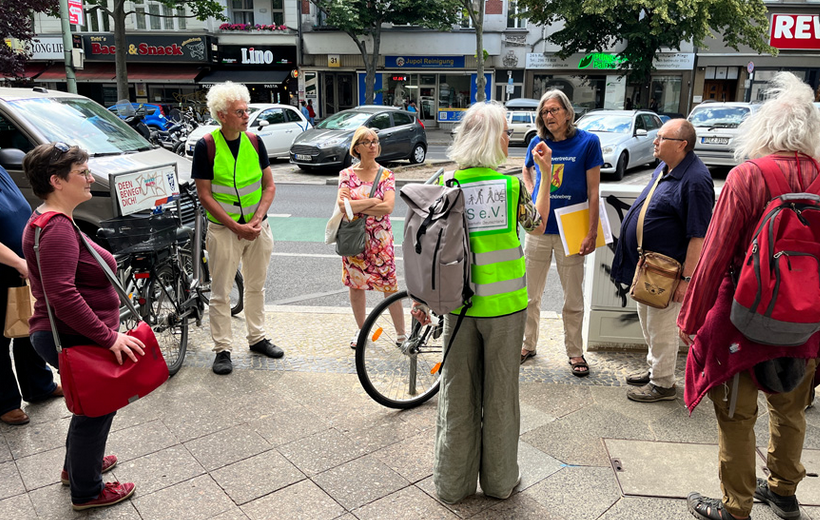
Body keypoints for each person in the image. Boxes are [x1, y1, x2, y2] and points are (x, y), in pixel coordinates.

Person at [679, 72, 820, 520]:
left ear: (762, 129)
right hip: (806, 320)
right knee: (791, 408)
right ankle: (782, 491)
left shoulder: (748, 176)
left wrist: (690, 321)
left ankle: (735, 507)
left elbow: (715, 256)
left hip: (744, 316)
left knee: (737, 416)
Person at [414, 101, 550, 505]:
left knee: (458, 393)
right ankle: (499, 481)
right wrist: (543, 177)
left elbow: (427, 247)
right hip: (506, 308)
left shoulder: (445, 181)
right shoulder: (510, 187)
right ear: (495, 141)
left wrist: (423, 299)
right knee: (501, 395)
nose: (510, 137)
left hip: (457, 306)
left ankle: (452, 483)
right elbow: (537, 225)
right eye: (506, 131)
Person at [22, 142, 139, 511]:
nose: (90, 178)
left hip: (73, 334)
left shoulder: (55, 219)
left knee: (89, 407)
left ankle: (78, 467)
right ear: (57, 181)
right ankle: (87, 491)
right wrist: (108, 338)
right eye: (82, 173)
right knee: (95, 410)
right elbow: (63, 295)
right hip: (76, 336)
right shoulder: (55, 229)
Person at [609, 119, 714, 403]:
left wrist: (686, 281)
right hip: (650, 268)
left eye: (662, 138)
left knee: (662, 328)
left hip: (668, 273)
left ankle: (663, 383)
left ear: (681, 145)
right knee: (649, 322)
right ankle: (655, 368)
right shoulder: (666, 167)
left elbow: (698, 236)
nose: (655, 141)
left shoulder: (695, 180)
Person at [191, 81, 281, 375]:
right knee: (221, 292)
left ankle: (257, 338)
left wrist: (256, 220)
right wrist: (235, 226)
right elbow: (204, 195)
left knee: (256, 286)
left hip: (257, 227)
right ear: (222, 115)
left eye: (246, 109)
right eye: (239, 111)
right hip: (223, 230)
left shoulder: (255, 142)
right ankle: (223, 349)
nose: (246, 115)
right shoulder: (207, 146)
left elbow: (269, 186)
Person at [520, 89, 603, 376]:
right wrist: (532, 193)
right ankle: (528, 344)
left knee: (573, 298)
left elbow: (594, 192)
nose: (549, 116)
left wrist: (591, 233)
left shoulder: (588, 142)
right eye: (544, 111)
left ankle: (575, 352)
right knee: (530, 295)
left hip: (573, 228)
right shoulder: (537, 141)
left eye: (554, 110)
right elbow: (526, 169)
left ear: (568, 112)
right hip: (539, 228)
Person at [0, 164, 62, 426]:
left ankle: (39, 386)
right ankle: (4, 402)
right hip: (9, 267)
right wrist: (17, 262)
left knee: (28, 326)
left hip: (20, 269)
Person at [337, 126, 405, 349]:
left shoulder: (386, 174)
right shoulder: (346, 174)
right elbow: (342, 206)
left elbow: (388, 208)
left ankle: (402, 335)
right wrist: (372, 202)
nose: (373, 145)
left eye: (375, 141)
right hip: (355, 238)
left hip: (380, 240)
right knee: (356, 286)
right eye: (367, 142)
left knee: (389, 285)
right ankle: (362, 331)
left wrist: (356, 205)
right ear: (357, 147)